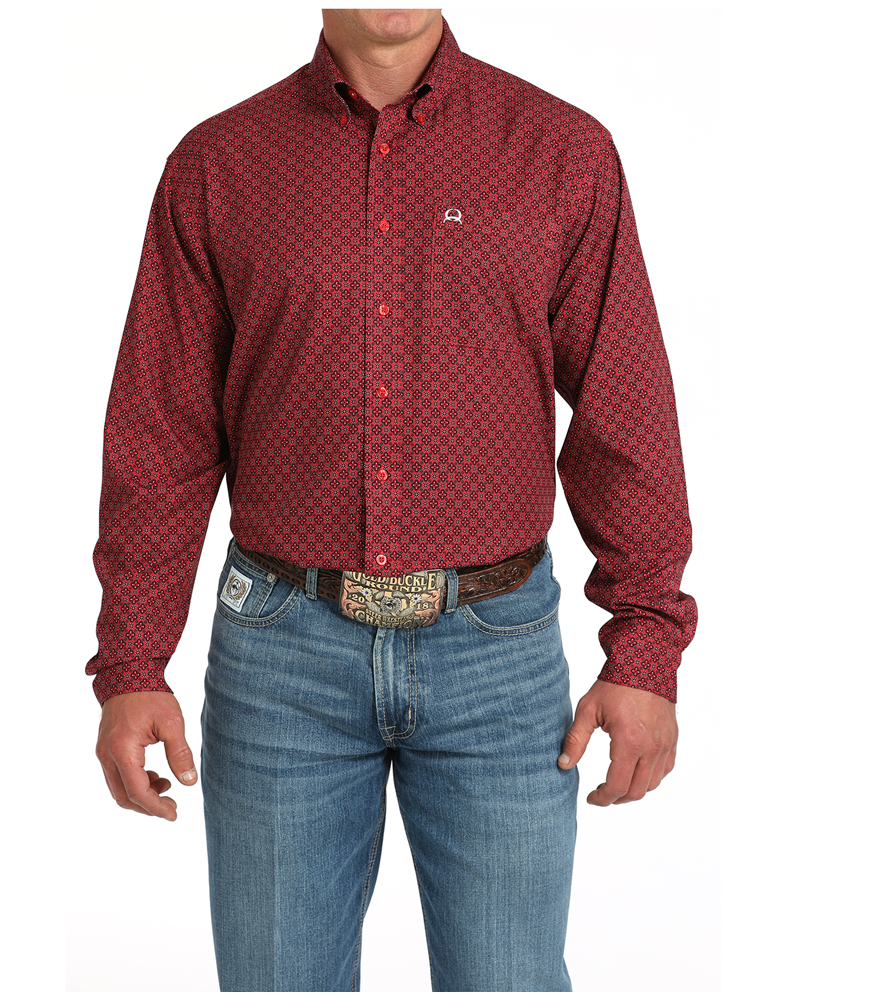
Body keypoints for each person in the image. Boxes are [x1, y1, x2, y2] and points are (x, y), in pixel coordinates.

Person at [88, 8, 697, 992]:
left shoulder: (561, 153)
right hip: (279, 660)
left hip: (500, 660)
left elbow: (625, 411)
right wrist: (130, 661)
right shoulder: (217, 166)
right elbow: (162, 430)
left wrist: (647, 646)